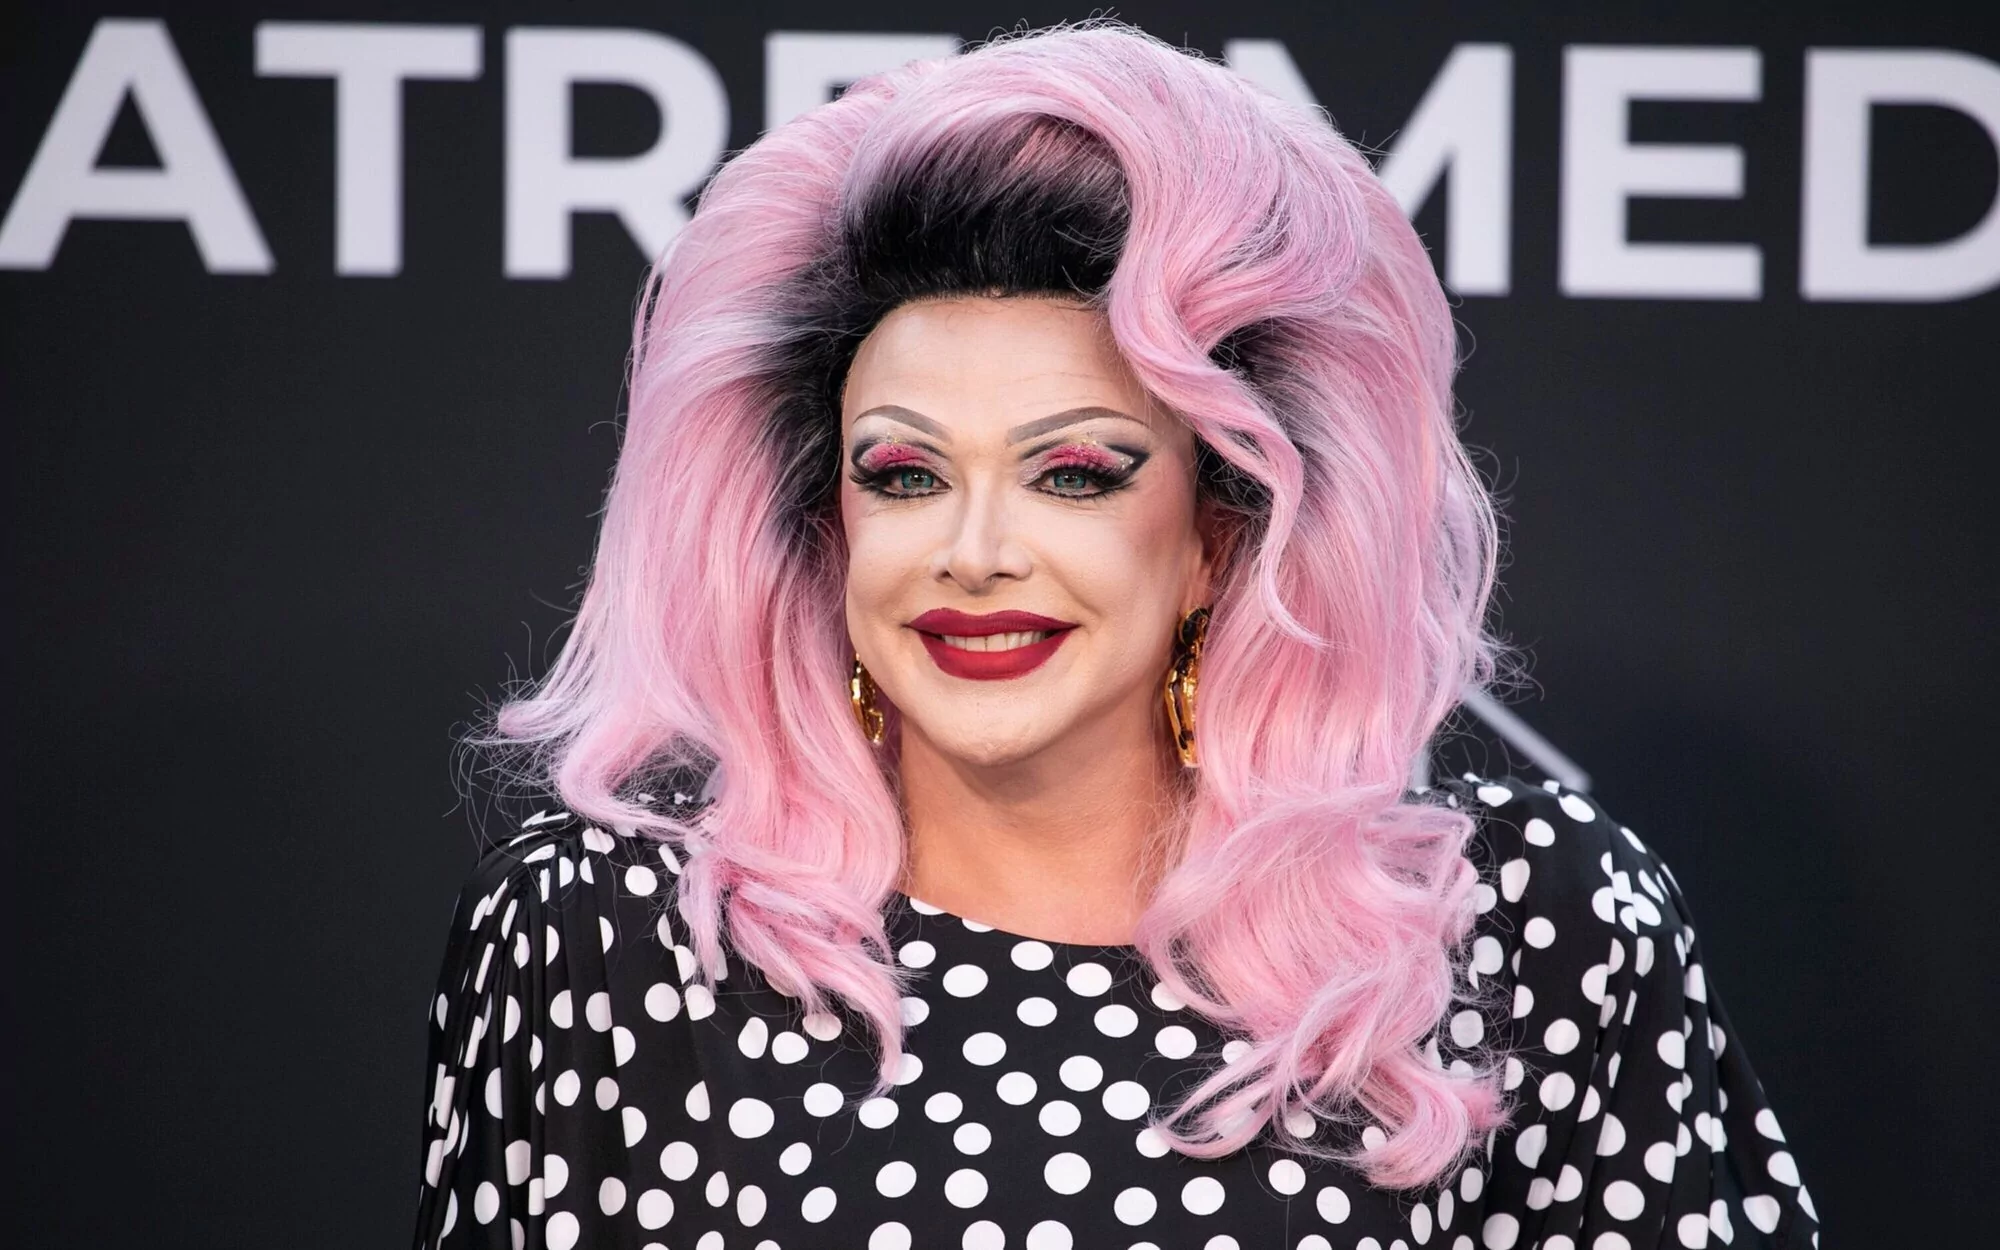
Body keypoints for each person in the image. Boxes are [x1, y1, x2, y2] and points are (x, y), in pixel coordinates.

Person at [411, 22, 1816, 1250]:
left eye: (1074, 473)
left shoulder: (1516, 929)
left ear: (1220, 534)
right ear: (828, 524)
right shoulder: (610, 937)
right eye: (903, 474)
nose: (974, 550)